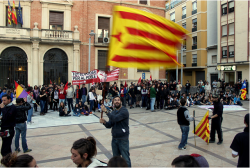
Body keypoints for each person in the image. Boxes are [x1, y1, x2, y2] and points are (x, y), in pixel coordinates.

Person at [100, 95, 131, 167]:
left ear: (121, 102)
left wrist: (106, 111)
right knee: (115, 159)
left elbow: (116, 118)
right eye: (115, 100)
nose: (117, 101)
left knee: (125, 159)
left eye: (118, 100)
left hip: (123, 139)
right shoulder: (113, 112)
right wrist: (104, 122)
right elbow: (110, 125)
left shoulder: (124, 111)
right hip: (114, 138)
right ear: (113, 102)